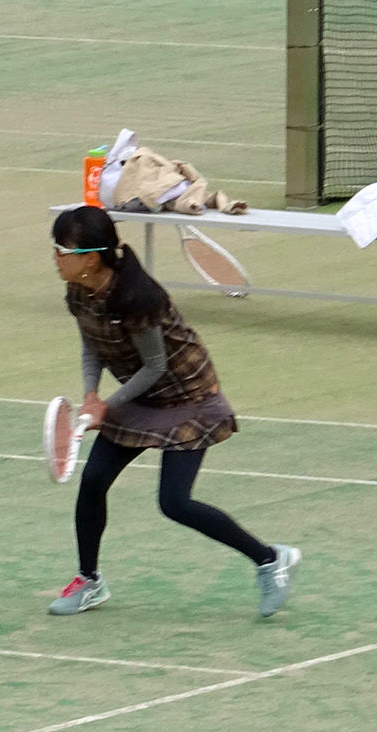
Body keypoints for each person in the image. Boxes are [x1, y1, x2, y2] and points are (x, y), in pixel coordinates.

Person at [46, 206, 300, 618]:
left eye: (62, 250)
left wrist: (107, 405)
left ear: (90, 258)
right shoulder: (79, 291)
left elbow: (155, 366)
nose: (55, 257)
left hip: (188, 397)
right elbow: (91, 344)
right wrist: (91, 394)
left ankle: (271, 560)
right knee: (92, 481)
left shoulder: (137, 298)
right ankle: (89, 581)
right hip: (139, 396)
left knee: (175, 502)